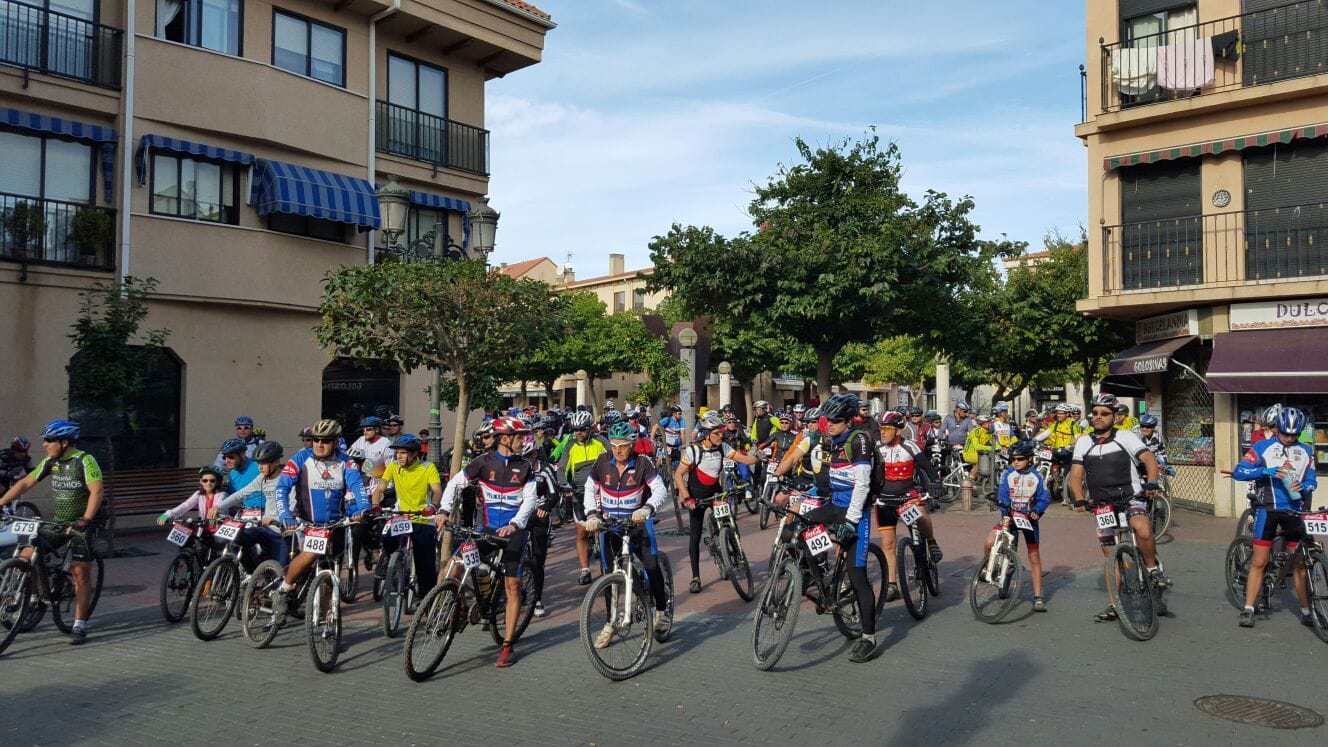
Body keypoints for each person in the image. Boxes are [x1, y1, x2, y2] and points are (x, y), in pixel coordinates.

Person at [771, 393, 880, 663]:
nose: (829, 424)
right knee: (796, 528)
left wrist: (851, 521)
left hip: (856, 511)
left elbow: (863, 485)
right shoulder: (832, 439)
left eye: (836, 420)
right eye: (827, 419)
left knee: (857, 575)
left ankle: (868, 638)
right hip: (834, 503)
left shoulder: (859, 440)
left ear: (849, 420)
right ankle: (813, 575)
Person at [436, 416, 537, 668]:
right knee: (453, 565)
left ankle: (507, 646)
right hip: (488, 529)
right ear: (505, 439)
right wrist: (444, 510)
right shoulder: (483, 462)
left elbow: (530, 501)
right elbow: (455, 484)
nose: (523, 440)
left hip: (514, 531)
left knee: (512, 585)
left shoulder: (525, 466)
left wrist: (515, 524)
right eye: (519, 436)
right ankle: (458, 607)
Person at [1067, 393, 1168, 623]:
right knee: (1110, 556)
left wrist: (1152, 482)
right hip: (1102, 504)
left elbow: (1149, 460)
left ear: (1114, 416)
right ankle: (1115, 605)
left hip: (1131, 496)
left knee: (1142, 528)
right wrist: (1080, 499)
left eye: (1104, 413)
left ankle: (1152, 568)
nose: (1098, 417)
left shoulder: (1126, 437)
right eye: (1095, 413)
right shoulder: (1084, 442)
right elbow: (1076, 475)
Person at [0, 420, 102, 643]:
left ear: (64, 442)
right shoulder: (51, 462)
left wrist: (86, 519)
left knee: (80, 574)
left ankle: (79, 624)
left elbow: (96, 491)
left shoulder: (85, 460)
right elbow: (26, 483)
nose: (44, 444)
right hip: (59, 522)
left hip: (82, 524)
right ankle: (34, 597)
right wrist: (1, 502)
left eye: (49, 440)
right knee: (27, 553)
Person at [583, 422, 672, 643]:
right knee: (608, 575)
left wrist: (647, 508)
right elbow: (589, 488)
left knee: (651, 565)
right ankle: (611, 622)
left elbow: (659, 489)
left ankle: (662, 612)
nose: (617, 450)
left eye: (622, 446)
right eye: (614, 446)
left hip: (637, 523)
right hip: (610, 525)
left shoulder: (643, 463)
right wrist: (592, 515)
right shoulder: (602, 461)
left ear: (631, 445)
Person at [272, 419, 370, 616]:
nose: (319, 444)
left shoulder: (346, 461)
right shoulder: (300, 458)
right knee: (310, 554)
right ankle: (284, 589)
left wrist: (363, 508)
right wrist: (285, 514)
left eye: (325, 441)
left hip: (336, 524)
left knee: (331, 569)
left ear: (335, 442)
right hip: (308, 523)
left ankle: (325, 621)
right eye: (316, 440)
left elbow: (358, 487)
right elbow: (282, 488)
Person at [1232, 408, 1318, 628]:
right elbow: (1239, 471)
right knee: (1260, 561)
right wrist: (1264, 471)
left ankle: (1306, 610)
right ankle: (1249, 608)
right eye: (1285, 433)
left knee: (1299, 564)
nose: (1289, 438)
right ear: (1278, 428)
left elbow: (1312, 481)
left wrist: (1305, 486)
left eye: (1294, 434)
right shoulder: (1262, 447)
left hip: (1294, 510)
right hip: (1267, 510)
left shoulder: (1306, 451)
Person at [674, 412, 759, 594]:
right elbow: (678, 475)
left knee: (730, 524)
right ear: (706, 434)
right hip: (697, 497)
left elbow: (744, 459)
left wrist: (758, 456)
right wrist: (687, 497)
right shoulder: (694, 451)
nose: (721, 435)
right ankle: (695, 577)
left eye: (721, 432)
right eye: (717, 433)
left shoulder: (723, 447)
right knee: (695, 536)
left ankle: (734, 551)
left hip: (716, 493)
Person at [873, 411, 942, 602]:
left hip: (906, 499)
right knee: (888, 545)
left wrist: (936, 482)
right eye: (881, 428)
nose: (882, 432)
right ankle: (892, 585)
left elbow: (928, 468)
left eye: (887, 429)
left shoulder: (910, 446)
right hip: (884, 501)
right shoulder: (875, 448)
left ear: (897, 431)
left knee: (921, 514)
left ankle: (931, 541)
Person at [370, 434, 441, 599]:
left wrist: (432, 506)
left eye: (403, 453)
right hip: (402, 516)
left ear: (414, 453)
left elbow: (437, 490)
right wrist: (375, 504)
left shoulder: (428, 467)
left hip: (423, 517)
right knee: (387, 538)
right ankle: (394, 562)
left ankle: (426, 597)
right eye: (397, 453)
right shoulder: (393, 467)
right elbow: (380, 488)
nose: (399, 456)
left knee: (425, 561)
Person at [985, 440, 1051, 610]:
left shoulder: (1037, 476)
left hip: (1029, 520)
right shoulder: (1007, 474)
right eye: (1013, 459)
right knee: (990, 542)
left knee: (1034, 556)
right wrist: (1005, 513)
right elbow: (1003, 496)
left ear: (1029, 459)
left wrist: (1037, 510)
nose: (1015, 462)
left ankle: (1038, 597)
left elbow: (1044, 498)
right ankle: (988, 568)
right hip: (1010, 516)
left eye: (1020, 459)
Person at [216, 441, 291, 571]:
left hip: (282, 532)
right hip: (265, 528)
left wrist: (280, 520)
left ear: (276, 462)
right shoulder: (262, 478)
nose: (260, 467)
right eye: (258, 463)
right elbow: (242, 493)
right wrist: (219, 507)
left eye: (264, 463)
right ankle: (253, 574)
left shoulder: (287, 479)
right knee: (237, 538)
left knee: (281, 572)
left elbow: (294, 504)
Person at [558, 410, 608, 586]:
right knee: (581, 532)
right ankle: (585, 570)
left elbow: (614, 459)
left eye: (582, 429)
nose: (578, 433)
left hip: (601, 491)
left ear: (590, 428)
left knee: (607, 528)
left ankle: (610, 564)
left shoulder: (600, 441)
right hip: (579, 492)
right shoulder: (570, 446)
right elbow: (561, 469)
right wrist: (565, 485)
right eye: (575, 430)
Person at [962, 414, 996, 482]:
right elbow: (977, 446)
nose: (990, 424)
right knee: (982, 461)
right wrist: (990, 448)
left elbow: (994, 443)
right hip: (969, 454)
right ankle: (970, 478)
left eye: (990, 422)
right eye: (988, 423)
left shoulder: (988, 432)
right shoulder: (976, 431)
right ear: (982, 423)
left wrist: (1000, 448)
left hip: (979, 454)